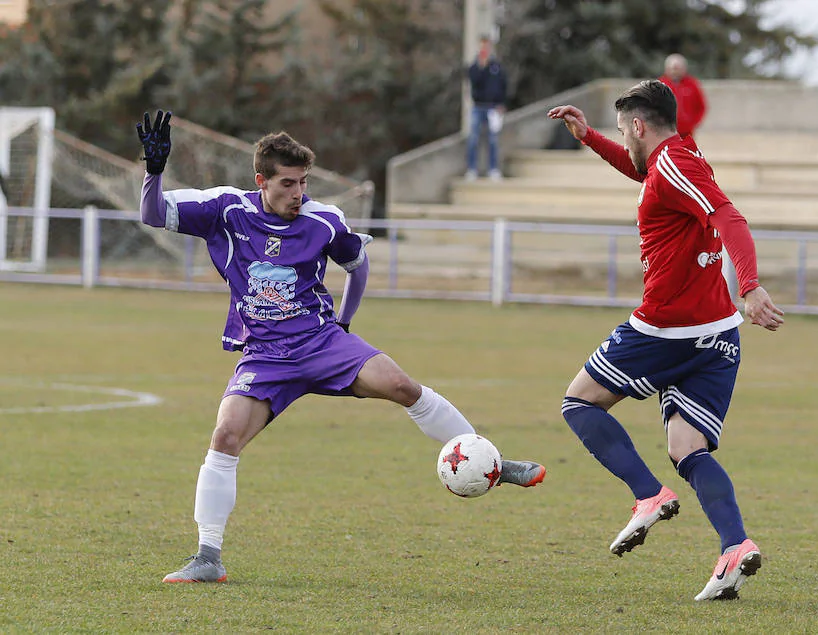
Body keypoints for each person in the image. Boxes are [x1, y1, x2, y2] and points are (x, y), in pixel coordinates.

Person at [135, 110, 546, 584]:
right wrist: (154, 170)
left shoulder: (324, 219)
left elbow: (357, 265)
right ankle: (208, 557)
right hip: (266, 354)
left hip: (322, 341)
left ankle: (491, 460)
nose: (298, 193)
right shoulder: (225, 210)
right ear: (261, 181)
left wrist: (345, 323)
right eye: (288, 183)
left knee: (401, 385)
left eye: (303, 182)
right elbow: (152, 213)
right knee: (225, 438)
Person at [547, 80, 784, 601]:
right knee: (687, 447)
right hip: (718, 334)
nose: (622, 140)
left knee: (579, 402)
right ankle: (734, 548)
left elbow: (730, 217)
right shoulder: (678, 157)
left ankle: (647, 495)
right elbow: (643, 171)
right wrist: (588, 137)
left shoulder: (674, 165)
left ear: (638, 126)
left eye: (619, 131)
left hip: (667, 328)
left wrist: (750, 284)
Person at [465, 36, 507, 182]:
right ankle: (472, 169)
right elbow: (474, 82)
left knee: (493, 141)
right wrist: (481, 67)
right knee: (473, 139)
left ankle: (493, 169)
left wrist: (501, 103)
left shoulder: (497, 67)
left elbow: (503, 85)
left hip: (493, 108)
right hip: (478, 107)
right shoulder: (474, 67)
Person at [659, 54, 707, 138]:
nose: (675, 72)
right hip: (665, 131)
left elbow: (701, 106)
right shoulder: (660, 85)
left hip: (687, 133)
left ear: (684, 69)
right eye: (673, 68)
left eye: (677, 69)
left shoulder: (692, 84)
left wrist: (693, 123)